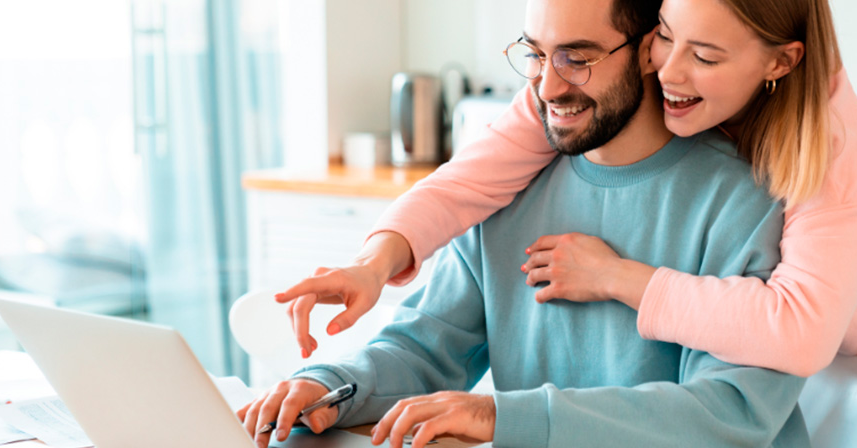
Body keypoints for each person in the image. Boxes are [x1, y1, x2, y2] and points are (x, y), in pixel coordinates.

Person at [238, 0, 811, 446]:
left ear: (649, 51)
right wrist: (328, 386)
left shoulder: (746, 198)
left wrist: (500, 415)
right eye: (536, 54)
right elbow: (424, 348)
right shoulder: (510, 183)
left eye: (578, 58)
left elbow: (729, 415)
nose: (547, 87)